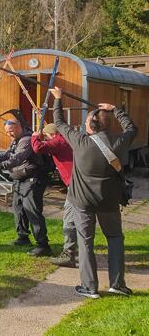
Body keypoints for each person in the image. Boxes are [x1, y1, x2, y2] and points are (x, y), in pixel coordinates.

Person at [50, 86, 137, 299]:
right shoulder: (119, 142)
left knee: (85, 242)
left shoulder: (80, 141)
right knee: (115, 238)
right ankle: (117, 284)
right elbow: (132, 128)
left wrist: (58, 99)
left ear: (91, 125)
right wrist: (115, 109)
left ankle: (89, 287)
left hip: (82, 202)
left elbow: (59, 122)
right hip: (109, 202)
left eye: (88, 119)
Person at [0, 118, 52, 257]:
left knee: (32, 210)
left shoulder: (26, 139)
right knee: (18, 208)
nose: (9, 134)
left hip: (32, 179)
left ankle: (43, 244)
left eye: (11, 131)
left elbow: (18, 158)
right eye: (7, 132)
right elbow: (8, 154)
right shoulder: (16, 139)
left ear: (18, 127)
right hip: (20, 179)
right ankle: (23, 237)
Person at [31, 124, 76, 267]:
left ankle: (69, 255)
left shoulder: (58, 141)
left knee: (69, 220)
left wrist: (34, 137)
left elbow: (37, 148)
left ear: (51, 134)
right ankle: (79, 252)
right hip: (79, 183)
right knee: (81, 220)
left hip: (75, 186)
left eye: (47, 136)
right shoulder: (68, 139)